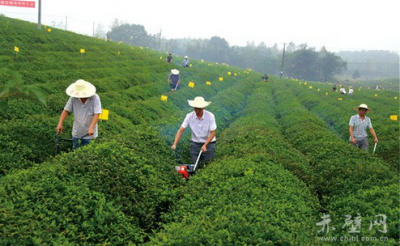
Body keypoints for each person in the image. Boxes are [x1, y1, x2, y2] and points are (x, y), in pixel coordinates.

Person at [171, 96, 216, 168]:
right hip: (195, 144)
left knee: (208, 164)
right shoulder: (189, 116)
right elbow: (181, 130)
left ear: (204, 107)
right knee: (195, 165)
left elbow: (213, 133)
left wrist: (205, 145)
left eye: (199, 109)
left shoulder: (210, 116)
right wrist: (174, 144)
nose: (197, 110)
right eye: (195, 108)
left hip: (209, 144)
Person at [57, 79, 102, 149]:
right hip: (77, 132)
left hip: (90, 135)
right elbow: (66, 110)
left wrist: (91, 127)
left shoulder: (95, 98)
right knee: (76, 153)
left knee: (88, 155)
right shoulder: (73, 98)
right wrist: (60, 123)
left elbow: (97, 113)